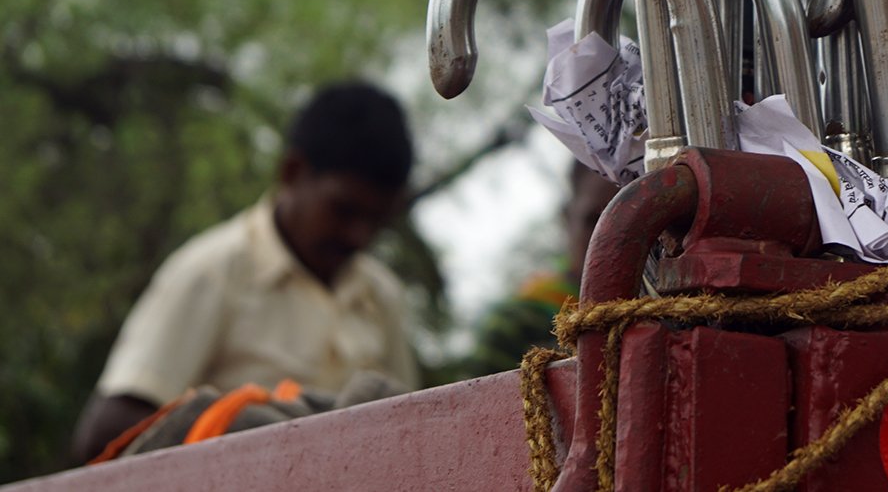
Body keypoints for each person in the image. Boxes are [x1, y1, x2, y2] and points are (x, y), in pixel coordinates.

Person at [72, 81, 420, 463]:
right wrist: (253, 437)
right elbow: (105, 435)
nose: (359, 235)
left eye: (377, 220)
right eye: (344, 210)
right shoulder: (212, 272)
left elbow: (410, 430)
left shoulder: (381, 294)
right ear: (293, 172)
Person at [457, 160, 617, 378]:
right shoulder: (514, 325)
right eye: (594, 221)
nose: (609, 238)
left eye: (632, 219)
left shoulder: (670, 308)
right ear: (566, 219)